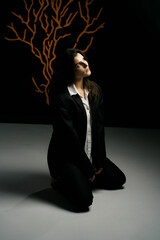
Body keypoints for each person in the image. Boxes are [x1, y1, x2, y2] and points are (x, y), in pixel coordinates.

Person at [47, 48, 126, 211]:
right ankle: (60, 179)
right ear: (70, 69)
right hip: (68, 156)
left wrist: (99, 160)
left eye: (85, 60)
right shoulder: (61, 96)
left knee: (119, 180)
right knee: (85, 201)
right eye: (79, 64)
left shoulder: (95, 90)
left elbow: (99, 128)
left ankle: (83, 178)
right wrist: (87, 168)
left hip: (90, 153)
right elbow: (69, 138)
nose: (86, 64)